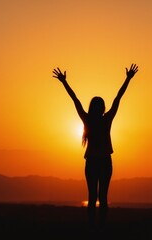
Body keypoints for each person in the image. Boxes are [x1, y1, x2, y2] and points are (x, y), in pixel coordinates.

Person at [52, 63, 139, 227]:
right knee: (100, 197)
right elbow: (116, 98)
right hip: (101, 161)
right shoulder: (103, 119)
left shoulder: (91, 119)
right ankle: (98, 228)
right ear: (100, 108)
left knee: (95, 197)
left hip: (95, 162)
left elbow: (76, 99)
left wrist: (64, 82)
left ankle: (95, 227)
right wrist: (128, 79)